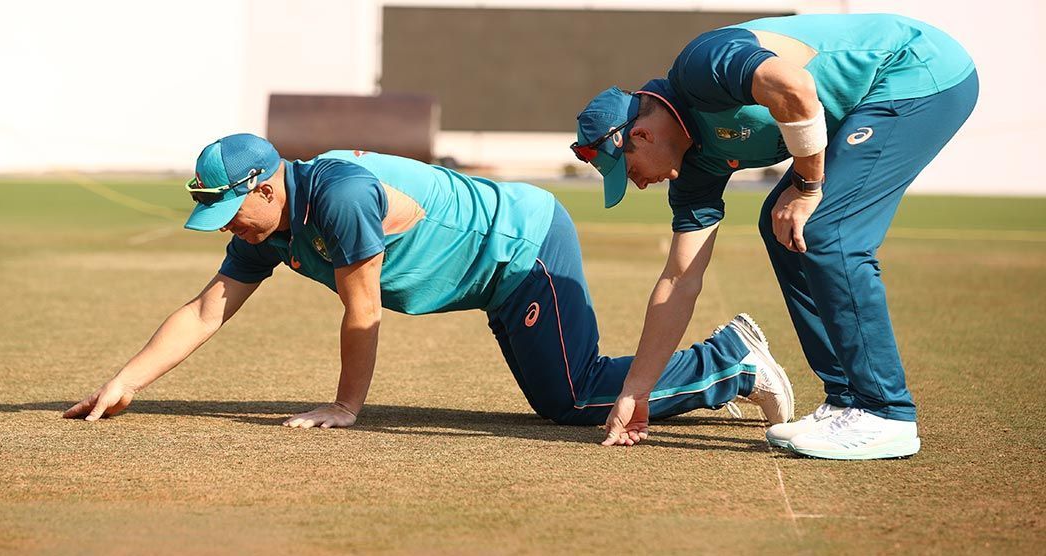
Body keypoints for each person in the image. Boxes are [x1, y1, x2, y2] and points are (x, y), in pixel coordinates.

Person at [63, 133, 793, 436]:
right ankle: (723, 364)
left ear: (263, 187)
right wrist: (125, 381)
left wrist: (348, 406)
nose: (229, 228)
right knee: (562, 397)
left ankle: (733, 363)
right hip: (497, 275)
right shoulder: (272, 224)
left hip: (523, 247)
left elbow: (363, 310)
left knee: (573, 398)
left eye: (231, 211)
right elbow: (207, 307)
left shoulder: (340, 197)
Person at [574, 13, 977, 459]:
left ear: (642, 134)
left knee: (827, 228)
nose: (639, 184)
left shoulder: (701, 67)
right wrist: (638, 388)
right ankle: (846, 400)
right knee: (782, 223)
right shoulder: (693, 170)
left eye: (629, 171)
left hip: (916, 70)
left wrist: (806, 187)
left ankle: (886, 412)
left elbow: (795, 89)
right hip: (870, 97)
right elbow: (680, 278)